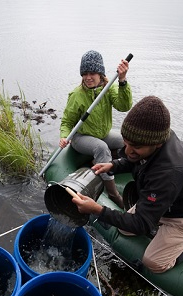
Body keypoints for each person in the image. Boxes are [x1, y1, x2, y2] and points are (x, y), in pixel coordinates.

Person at [71, 95, 183, 273]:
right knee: (124, 229)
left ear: (156, 144)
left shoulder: (169, 172)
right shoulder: (155, 139)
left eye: (135, 147)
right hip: (169, 203)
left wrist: (97, 210)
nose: (127, 151)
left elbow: (141, 223)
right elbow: (135, 159)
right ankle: (161, 229)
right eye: (126, 143)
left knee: (154, 263)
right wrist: (114, 165)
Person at [59, 50, 132, 209]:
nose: (88, 77)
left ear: (100, 73)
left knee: (127, 141)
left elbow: (124, 106)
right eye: (84, 73)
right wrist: (64, 136)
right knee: (101, 147)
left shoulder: (108, 89)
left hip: (102, 134)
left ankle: (103, 163)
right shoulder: (77, 95)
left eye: (92, 73)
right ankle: (113, 193)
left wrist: (122, 80)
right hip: (81, 137)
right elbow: (66, 121)